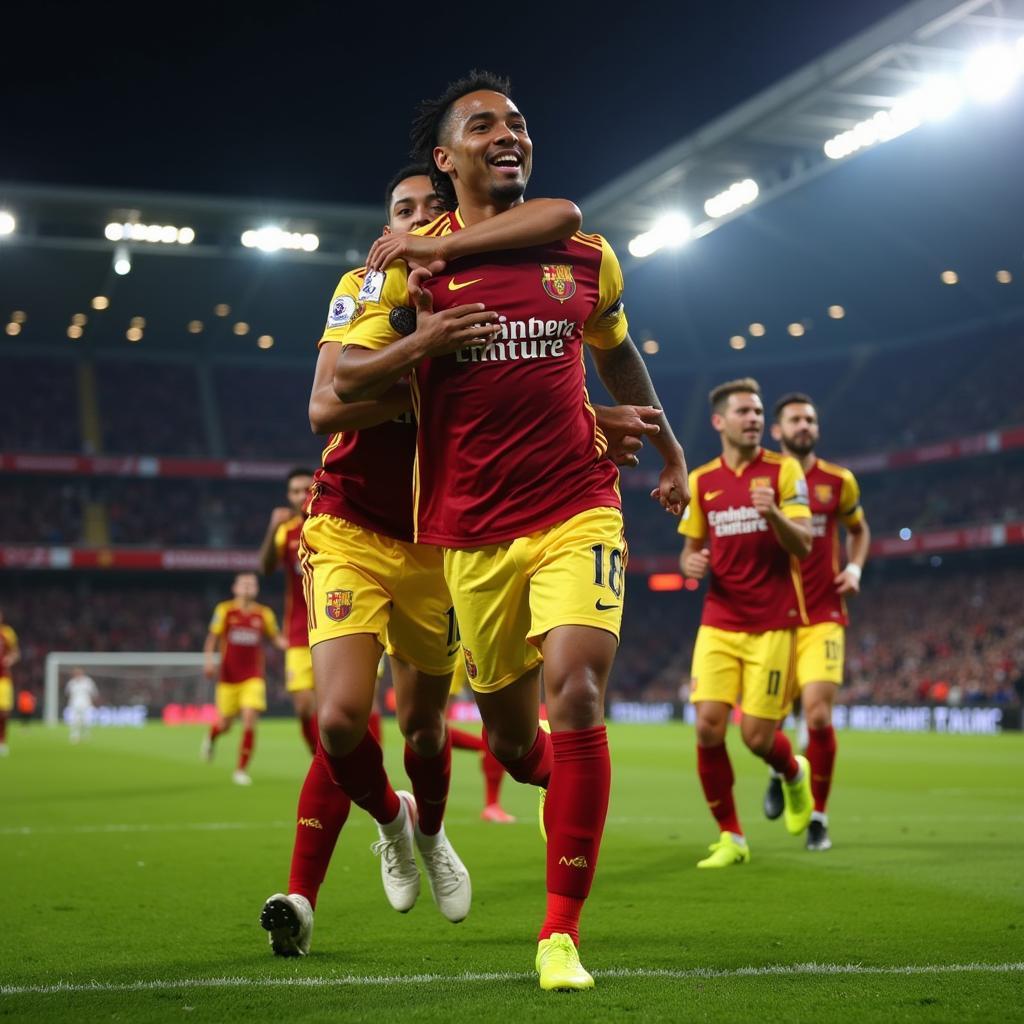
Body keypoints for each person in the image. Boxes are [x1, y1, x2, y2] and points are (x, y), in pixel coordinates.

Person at [332, 73, 689, 991]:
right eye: (484, 124)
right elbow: (338, 390)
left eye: (519, 122)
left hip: (578, 504)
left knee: (577, 690)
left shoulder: (582, 253)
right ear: (444, 159)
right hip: (472, 533)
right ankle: (552, 787)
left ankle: (558, 936)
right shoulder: (404, 270)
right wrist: (415, 337)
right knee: (519, 746)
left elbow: (619, 354)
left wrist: (674, 451)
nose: (509, 133)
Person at [261, 162, 657, 963]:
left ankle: (438, 833)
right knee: (340, 718)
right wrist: (426, 366)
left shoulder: (497, 281)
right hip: (350, 526)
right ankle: (372, 842)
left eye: (426, 214)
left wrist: (592, 416)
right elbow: (324, 405)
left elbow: (529, 384)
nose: (409, 225)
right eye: (397, 211)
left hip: (443, 539)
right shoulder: (375, 289)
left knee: (427, 727)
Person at [677, 378, 814, 868]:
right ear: (720, 421)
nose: (755, 419)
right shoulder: (702, 480)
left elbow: (804, 545)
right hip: (719, 619)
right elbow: (691, 550)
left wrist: (774, 513)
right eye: (745, 412)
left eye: (758, 412)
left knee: (757, 737)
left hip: (773, 621)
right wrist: (689, 565)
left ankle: (794, 773)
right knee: (708, 729)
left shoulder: (784, 469)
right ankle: (731, 837)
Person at [761, 393, 870, 851]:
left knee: (819, 715)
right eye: (795, 420)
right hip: (771, 614)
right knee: (765, 723)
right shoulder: (760, 481)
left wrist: (855, 568)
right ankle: (782, 770)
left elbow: (858, 529)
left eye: (810, 419)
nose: (804, 425)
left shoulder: (837, 481)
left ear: (816, 429)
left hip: (824, 613)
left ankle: (819, 819)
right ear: (778, 431)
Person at [258, 466, 325, 755]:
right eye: (295, 491)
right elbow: (266, 567)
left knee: (346, 707)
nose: (301, 495)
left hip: (335, 624)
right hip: (298, 632)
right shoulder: (286, 531)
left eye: (306, 489)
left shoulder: (329, 523)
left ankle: (357, 768)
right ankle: (321, 762)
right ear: (288, 495)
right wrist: (272, 527)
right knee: (303, 708)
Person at [201, 572, 285, 785]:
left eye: (252, 584)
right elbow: (212, 638)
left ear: (256, 589)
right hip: (228, 677)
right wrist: (209, 661)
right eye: (244, 583)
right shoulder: (225, 610)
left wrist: (297, 645)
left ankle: (241, 770)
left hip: (253, 677)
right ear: (235, 588)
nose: (248, 587)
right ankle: (211, 738)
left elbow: (276, 639)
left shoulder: (264, 614)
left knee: (249, 719)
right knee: (225, 724)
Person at [447, 657, 514, 823]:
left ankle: (492, 806)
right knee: (428, 727)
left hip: (461, 646)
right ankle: (489, 748)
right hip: (456, 645)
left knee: (430, 727)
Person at [0, 611, 20, 756]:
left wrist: (10, 659)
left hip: (3, 678)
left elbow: (16, 652)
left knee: (4, 712)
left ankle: (2, 741)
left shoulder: (7, 633)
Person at [65, 666, 99, 744]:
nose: (77, 673)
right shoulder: (71, 683)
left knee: (86, 720)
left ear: (82, 672)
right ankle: (74, 736)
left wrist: (92, 702)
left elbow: (94, 693)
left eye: (79, 672)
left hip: (86, 704)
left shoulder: (88, 682)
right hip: (74, 704)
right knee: (74, 721)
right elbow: (67, 693)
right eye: (76, 672)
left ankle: (86, 734)